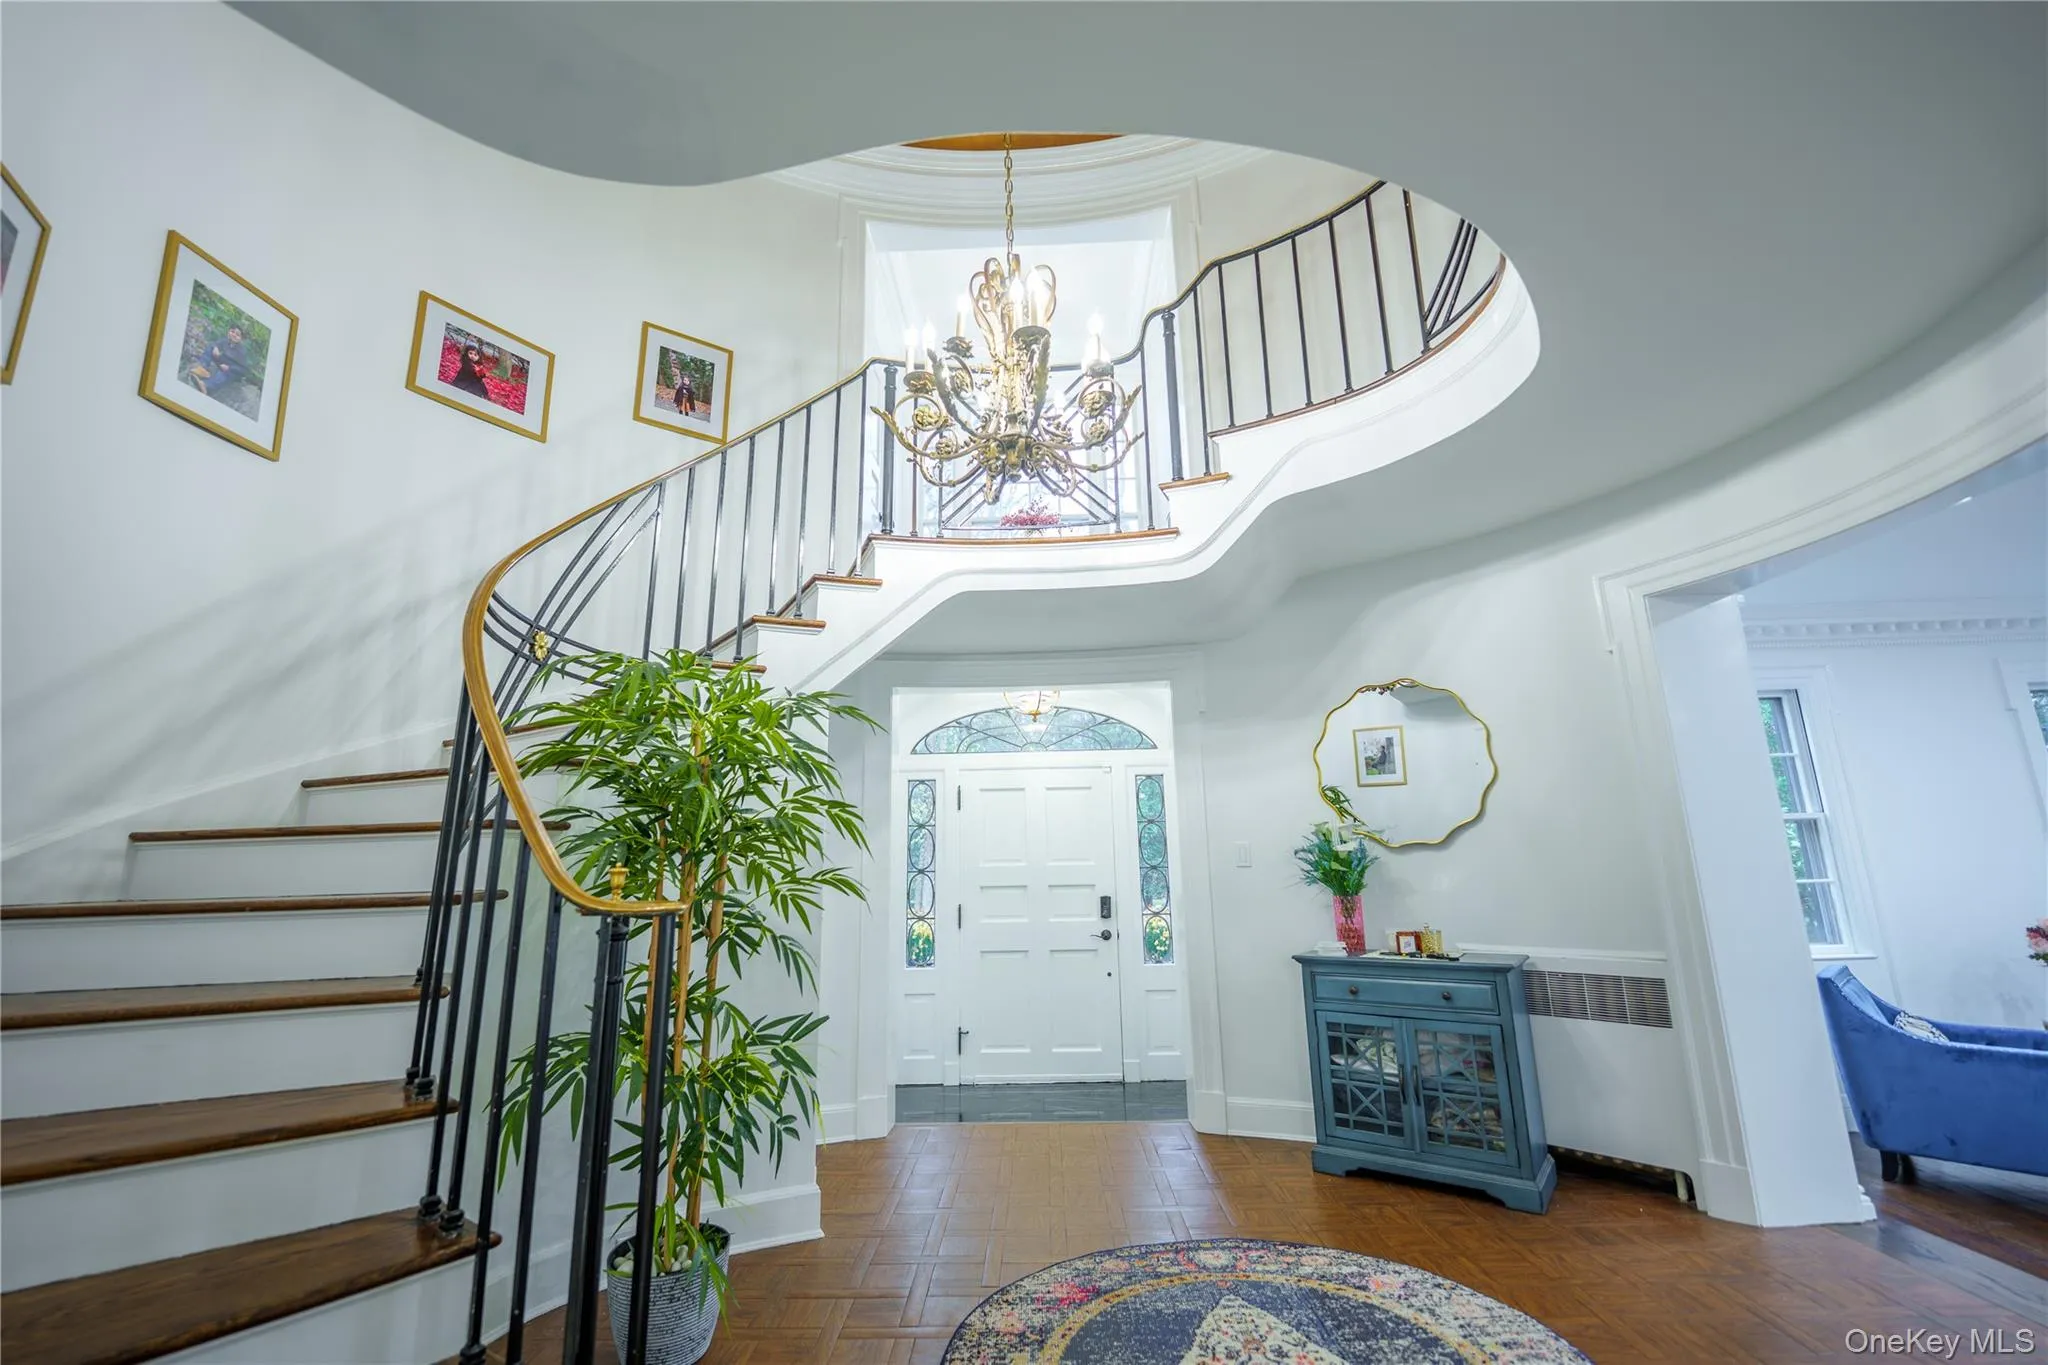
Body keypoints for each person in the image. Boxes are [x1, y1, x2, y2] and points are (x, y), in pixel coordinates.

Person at [188, 323, 253, 397]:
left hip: (230, 370)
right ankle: (203, 368)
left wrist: (229, 368)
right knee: (210, 349)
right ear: (228, 331)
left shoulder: (241, 352)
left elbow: (243, 369)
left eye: (237, 335)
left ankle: (206, 385)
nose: (234, 335)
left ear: (241, 339)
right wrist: (215, 347)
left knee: (222, 376)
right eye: (232, 331)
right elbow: (215, 344)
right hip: (221, 362)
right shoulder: (225, 340)